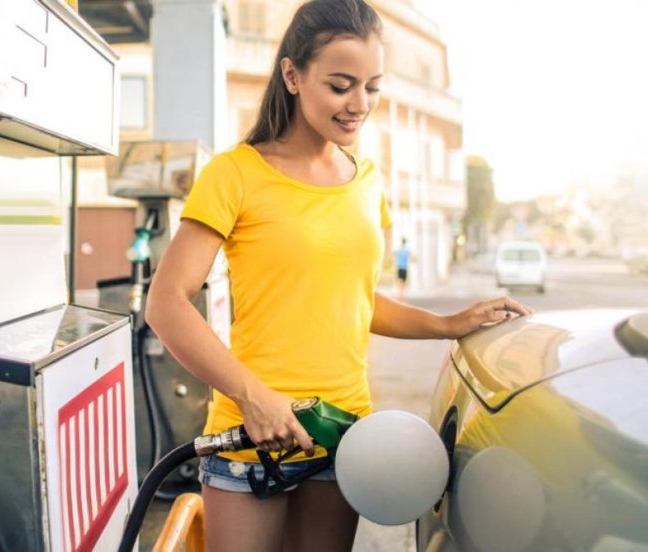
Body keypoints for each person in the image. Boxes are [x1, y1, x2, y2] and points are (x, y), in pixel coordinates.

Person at [144, 1, 532, 550]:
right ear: (293, 75)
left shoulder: (366, 180)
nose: (359, 105)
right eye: (341, 85)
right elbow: (166, 304)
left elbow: (353, 301)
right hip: (251, 435)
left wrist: (448, 324)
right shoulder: (236, 173)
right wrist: (253, 396)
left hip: (342, 432)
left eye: (371, 87)